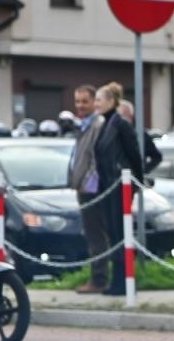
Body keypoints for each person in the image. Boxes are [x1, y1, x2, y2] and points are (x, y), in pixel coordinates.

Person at [91, 82, 156, 296]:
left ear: (111, 101)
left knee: (120, 233)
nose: (96, 103)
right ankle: (117, 280)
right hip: (108, 186)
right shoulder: (106, 124)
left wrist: (136, 181)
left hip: (119, 186)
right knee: (113, 232)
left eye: (99, 99)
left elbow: (134, 155)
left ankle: (124, 281)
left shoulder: (120, 125)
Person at [66, 84, 108, 294]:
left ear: (94, 102)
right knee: (92, 234)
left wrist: (88, 186)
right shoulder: (83, 125)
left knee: (96, 235)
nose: (80, 106)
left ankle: (99, 279)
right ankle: (97, 276)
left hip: (92, 190)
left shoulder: (97, 125)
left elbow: (94, 160)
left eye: (85, 101)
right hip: (83, 187)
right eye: (77, 101)